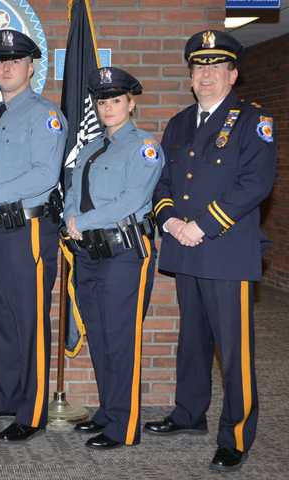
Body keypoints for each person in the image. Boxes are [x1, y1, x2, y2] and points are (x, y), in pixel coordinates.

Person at [145, 30, 276, 472]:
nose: (206, 76)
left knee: (233, 350)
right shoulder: (180, 122)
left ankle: (236, 435)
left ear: (232, 74)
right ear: (190, 76)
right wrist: (170, 222)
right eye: (199, 68)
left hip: (225, 250)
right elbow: (162, 184)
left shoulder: (252, 120)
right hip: (185, 249)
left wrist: (202, 225)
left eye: (216, 67)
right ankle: (188, 415)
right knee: (193, 342)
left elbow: (255, 184)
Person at [0, 29, 66, 442]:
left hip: (28, 229)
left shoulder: (45, 114)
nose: (6, 66)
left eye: (15, 61)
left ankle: (33, 409)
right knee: (0, 320)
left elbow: (45, 175)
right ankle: (3, 396)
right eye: (0, 60)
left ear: (30, 67)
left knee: (28, 321)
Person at [63, 67, 162, 450]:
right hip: (88, 253)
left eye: (115, 100)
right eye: (102, 101)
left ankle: (126, 425)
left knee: (121, 339)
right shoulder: (90, 147)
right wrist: (71, 217)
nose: (107, 107)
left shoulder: (144, 146)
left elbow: (133, 200)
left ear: (131, 103)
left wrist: (82, 220)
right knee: (101, 336)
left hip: (124, 254)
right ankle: (109, 410)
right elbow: (72, 189)